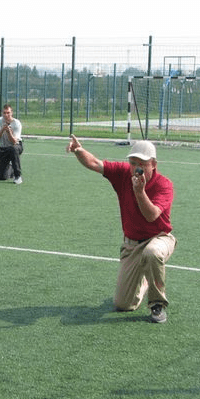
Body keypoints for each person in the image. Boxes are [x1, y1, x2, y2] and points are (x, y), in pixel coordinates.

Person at [66, 135, 176, 323]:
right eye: (133, 163)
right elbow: (95, 163)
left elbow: (151, 216)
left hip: (159, 238)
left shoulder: (164, 185)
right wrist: (78, 151)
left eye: (142, 163)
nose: (136, 168)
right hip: (131, 245)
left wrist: (139, 192)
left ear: (153, 164)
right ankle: (143, 280)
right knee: (123, 305)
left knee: (152, 253)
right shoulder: (123, 173)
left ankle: (157, 304)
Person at [0, 104, 24, 184]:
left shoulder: (16, 123)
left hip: (15, 146)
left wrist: (9, 132)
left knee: (13, 149)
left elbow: (14, 141)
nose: (6, 115)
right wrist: (2, 129)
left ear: (12, 113)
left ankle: (18, 176)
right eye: (4, 113)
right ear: (2, 113)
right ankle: (11, 168)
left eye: (8, 113)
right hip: (3, 148)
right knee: (2, 177)